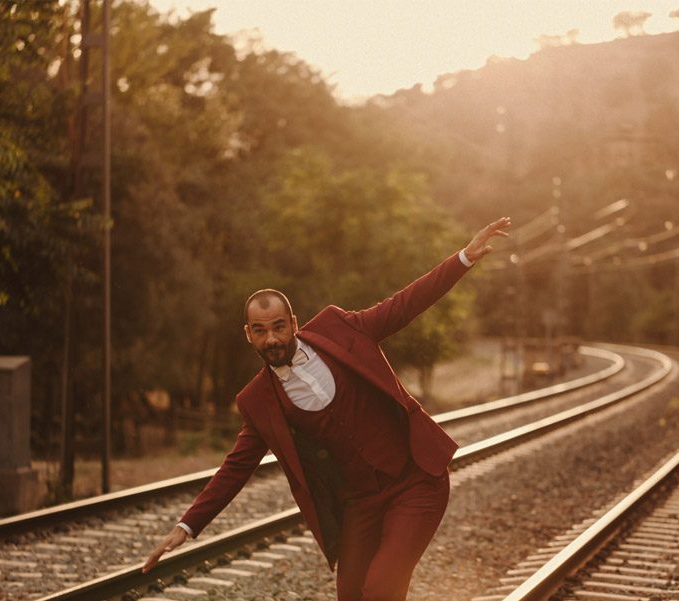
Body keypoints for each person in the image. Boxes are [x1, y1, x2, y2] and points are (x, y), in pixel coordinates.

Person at [143, 217, 512, 600]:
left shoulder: (339, 328)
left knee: (382, 588)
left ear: (294, 324)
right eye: (260, 330)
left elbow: (405, 304)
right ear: (248, 334)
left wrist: (464, 258)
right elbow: (235, 469)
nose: (271, 339)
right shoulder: (257, 401)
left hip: (415, 481)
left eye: (278, 327)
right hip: (360, 504)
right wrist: (186, 526)